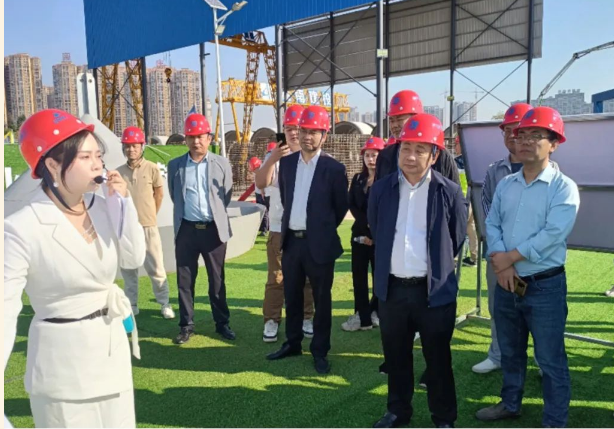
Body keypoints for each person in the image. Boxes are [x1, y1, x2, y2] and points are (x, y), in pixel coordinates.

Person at [4, 109, 146, 427]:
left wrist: (124, 206)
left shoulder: (104, 205)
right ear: (53, 165)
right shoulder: (20, 227)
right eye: (85, 157)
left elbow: (133, 259)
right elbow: (4, 310)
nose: (98, 165)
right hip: (62, 373)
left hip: (112, 357)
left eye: (98, 155)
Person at [476, 106, 580, 428]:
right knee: (510, 351)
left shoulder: (563, 187)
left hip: (545, 286)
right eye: (522, 134)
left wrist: (510, 257)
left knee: (550, 359)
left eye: (536, 135)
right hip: (507, 282)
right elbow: (492, 223)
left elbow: (553, 233)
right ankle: (511, 404)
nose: (525, 141)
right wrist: (501, 263)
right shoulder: (506, 184)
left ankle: (554, 420)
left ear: (554, 144)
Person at [369, 113, 467, 428]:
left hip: (433, 292)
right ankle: (398, 410)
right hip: (393, 290)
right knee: (396, 355)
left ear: (434, 155)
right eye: (406, 148)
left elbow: (457, 237)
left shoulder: (448, 191)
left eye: (420, 150)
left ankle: (444, 417)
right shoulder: (381, 190)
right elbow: (376, 227)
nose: (410, 156)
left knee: (438, 359)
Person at [472, 103, 560, 375]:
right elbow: (489, 213)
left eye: (521, 131)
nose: (515, 136)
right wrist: (501, 256)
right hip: (499, 256)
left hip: (536, 259)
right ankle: (498, 354)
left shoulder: (552, 171)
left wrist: (517, 254)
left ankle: (542, 360)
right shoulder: (494, 170)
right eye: (509, 131)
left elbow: (550, 224)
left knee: (540, 313)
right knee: (499, 307)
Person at [265, 106, 349, 374]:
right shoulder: (287, 164)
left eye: (314, 132)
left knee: (322, 300)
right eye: (303, 131)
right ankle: (293, 343)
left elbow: (339, 208)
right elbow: (286, 198)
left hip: (320, 245)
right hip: (292, 243)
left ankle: (320, 351)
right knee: (292, 296)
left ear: (324, 135)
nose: (307, 136)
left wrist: (320, 229)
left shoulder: (334, 169)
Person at [168, 113, 235, 344]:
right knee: (185, 280)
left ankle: (222, 323)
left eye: (200, 136)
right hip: (186, 230)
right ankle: (186, 325)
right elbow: (175, 196)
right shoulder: (175, 166)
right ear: (185, 139)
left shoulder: (221, 163)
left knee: (217, 280)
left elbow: (225, 196)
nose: (196, 141)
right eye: (191, 137)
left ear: (209, 138)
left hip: (213, 230)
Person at [255, 106, 315, 343]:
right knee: (277, 278)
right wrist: (273, 158)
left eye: (298, 128)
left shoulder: (315, 158)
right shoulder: (277, 158)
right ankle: (271, 319)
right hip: (280, 229)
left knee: (307, 278)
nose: (293, 133)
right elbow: (261, 183)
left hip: (307, 230)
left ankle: (307, 316)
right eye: (289, 128)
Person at [116, 126, 175, 319]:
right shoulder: (118, 173)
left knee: (156, 266)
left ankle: (164, 303)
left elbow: (159, 194)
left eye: (134, 146)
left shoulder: (152, 168)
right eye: (127, 146)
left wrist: (150, 214)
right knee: (129, 269)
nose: (131, 149)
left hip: (148, 225)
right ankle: (132, 304)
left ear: (142, 146)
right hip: (127, 229)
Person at [341, 136, 385, 332]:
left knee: (378, 277)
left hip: (378, 237)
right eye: (367, 155)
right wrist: (365, 223)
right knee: (358, 277)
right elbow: (351, 203)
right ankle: (362, 315)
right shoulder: (358, 178)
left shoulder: (386, 180)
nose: (371, 159)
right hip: (358, 234)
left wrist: (373, 232)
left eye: (374, 155)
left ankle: (376, 311)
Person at [375, 90, 460, 184]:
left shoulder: (441, 156)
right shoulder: (385, 156)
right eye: (391, 120)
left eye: (399, 119)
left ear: (416, 118)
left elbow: (453, 190)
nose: (394, 125)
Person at [454, 135, 478, 267]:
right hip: (474, 199)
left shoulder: (456, 161)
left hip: (462, 200)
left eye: (456, 144)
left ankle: (456, 257)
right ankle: (474, 257)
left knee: (457, 228)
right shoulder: (474, 160)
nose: (455, 147)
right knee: (471, 227)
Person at [250, 156, 269, 236]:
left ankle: (264, 229)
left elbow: (262, 182)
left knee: (264, 211)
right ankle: (264, 228)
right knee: (262, 211)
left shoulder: (260, 171)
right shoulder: (259, 171)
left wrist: (262, 191)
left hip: (261, 193)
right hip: (259, 193)